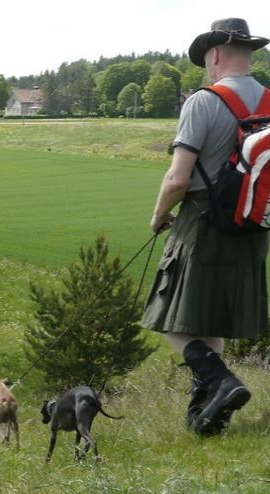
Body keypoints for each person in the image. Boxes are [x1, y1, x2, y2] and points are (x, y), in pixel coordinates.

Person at [142, 18, 270, 436]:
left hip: (202, 220)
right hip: (254, 226)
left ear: (214, 55)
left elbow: (179, 178)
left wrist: (159, 214)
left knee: (168, 317)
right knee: (209, 318)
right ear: (249, 53)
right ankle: (209, 415)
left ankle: (221, 382)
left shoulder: (203, 101)